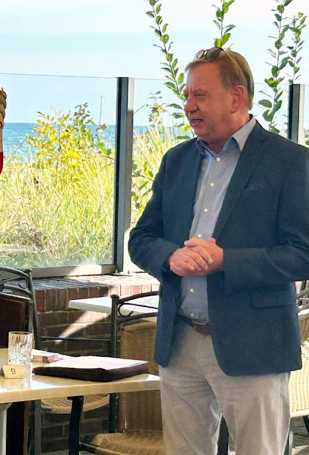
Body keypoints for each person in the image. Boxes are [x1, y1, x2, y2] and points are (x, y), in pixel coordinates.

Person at [129, 47, 309, 455]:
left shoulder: (290, 162)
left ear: (237, 97)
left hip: (254, 346)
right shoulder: (176, 161)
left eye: (201, 96)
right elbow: (141, 238)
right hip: (181, 342)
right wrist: (170, 257)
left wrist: (226, 261)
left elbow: (302, 253)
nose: (189, 106)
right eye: (187, 96)